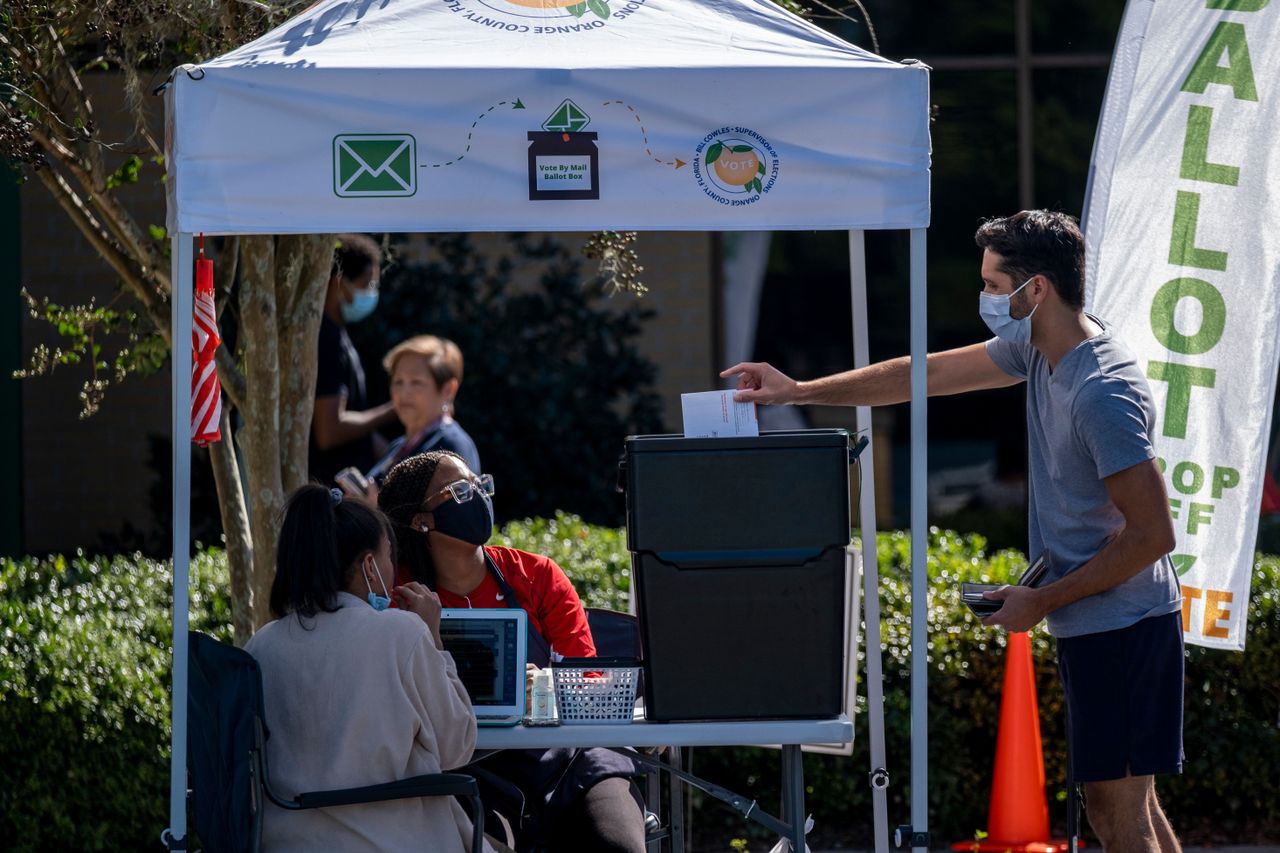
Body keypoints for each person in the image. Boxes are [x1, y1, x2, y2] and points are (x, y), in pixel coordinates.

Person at [723, 210, 1183, 853]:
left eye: (995, 286)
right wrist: (796, 390)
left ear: (1038, 290)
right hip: (1097, 619)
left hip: (1127, 623)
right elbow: (926, 373)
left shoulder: (1102, 391)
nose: (987, 299)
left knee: (1115, 808)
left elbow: (1154, 535)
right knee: (1129, 798)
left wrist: (1041, 601)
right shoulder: (1040, 347)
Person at [378, 450, 646, 853]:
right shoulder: (398, 598)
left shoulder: (537, 575)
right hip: (466, 769)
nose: (479, 497)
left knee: (616, 845)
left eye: (479, 484)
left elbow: (589, 683)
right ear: (421, 521)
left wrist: (543, 687)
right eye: (461, 490)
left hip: (570, 763)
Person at [245, 484, 481, 852]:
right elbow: (456, 747)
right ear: (370, 565)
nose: (393, 570)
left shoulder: (261, 645)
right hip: (390, 841)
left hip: (282, 842)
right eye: (390, 555)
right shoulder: (402, 633)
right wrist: (434, 638)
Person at [309, 233, 397, 487]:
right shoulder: (327, 339)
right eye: (367, 284)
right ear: (338, 282)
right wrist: (393, 410)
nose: (372, 293)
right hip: (331, 490)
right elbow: (329, 430)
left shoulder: (336, 333)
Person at [366, 335, 481, 488]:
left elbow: (458, 511)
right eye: (398, 382)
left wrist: (375, 507)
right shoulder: (398, 445)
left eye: (416, 382)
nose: (403, 392)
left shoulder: (453, 446)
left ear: (448, 389)